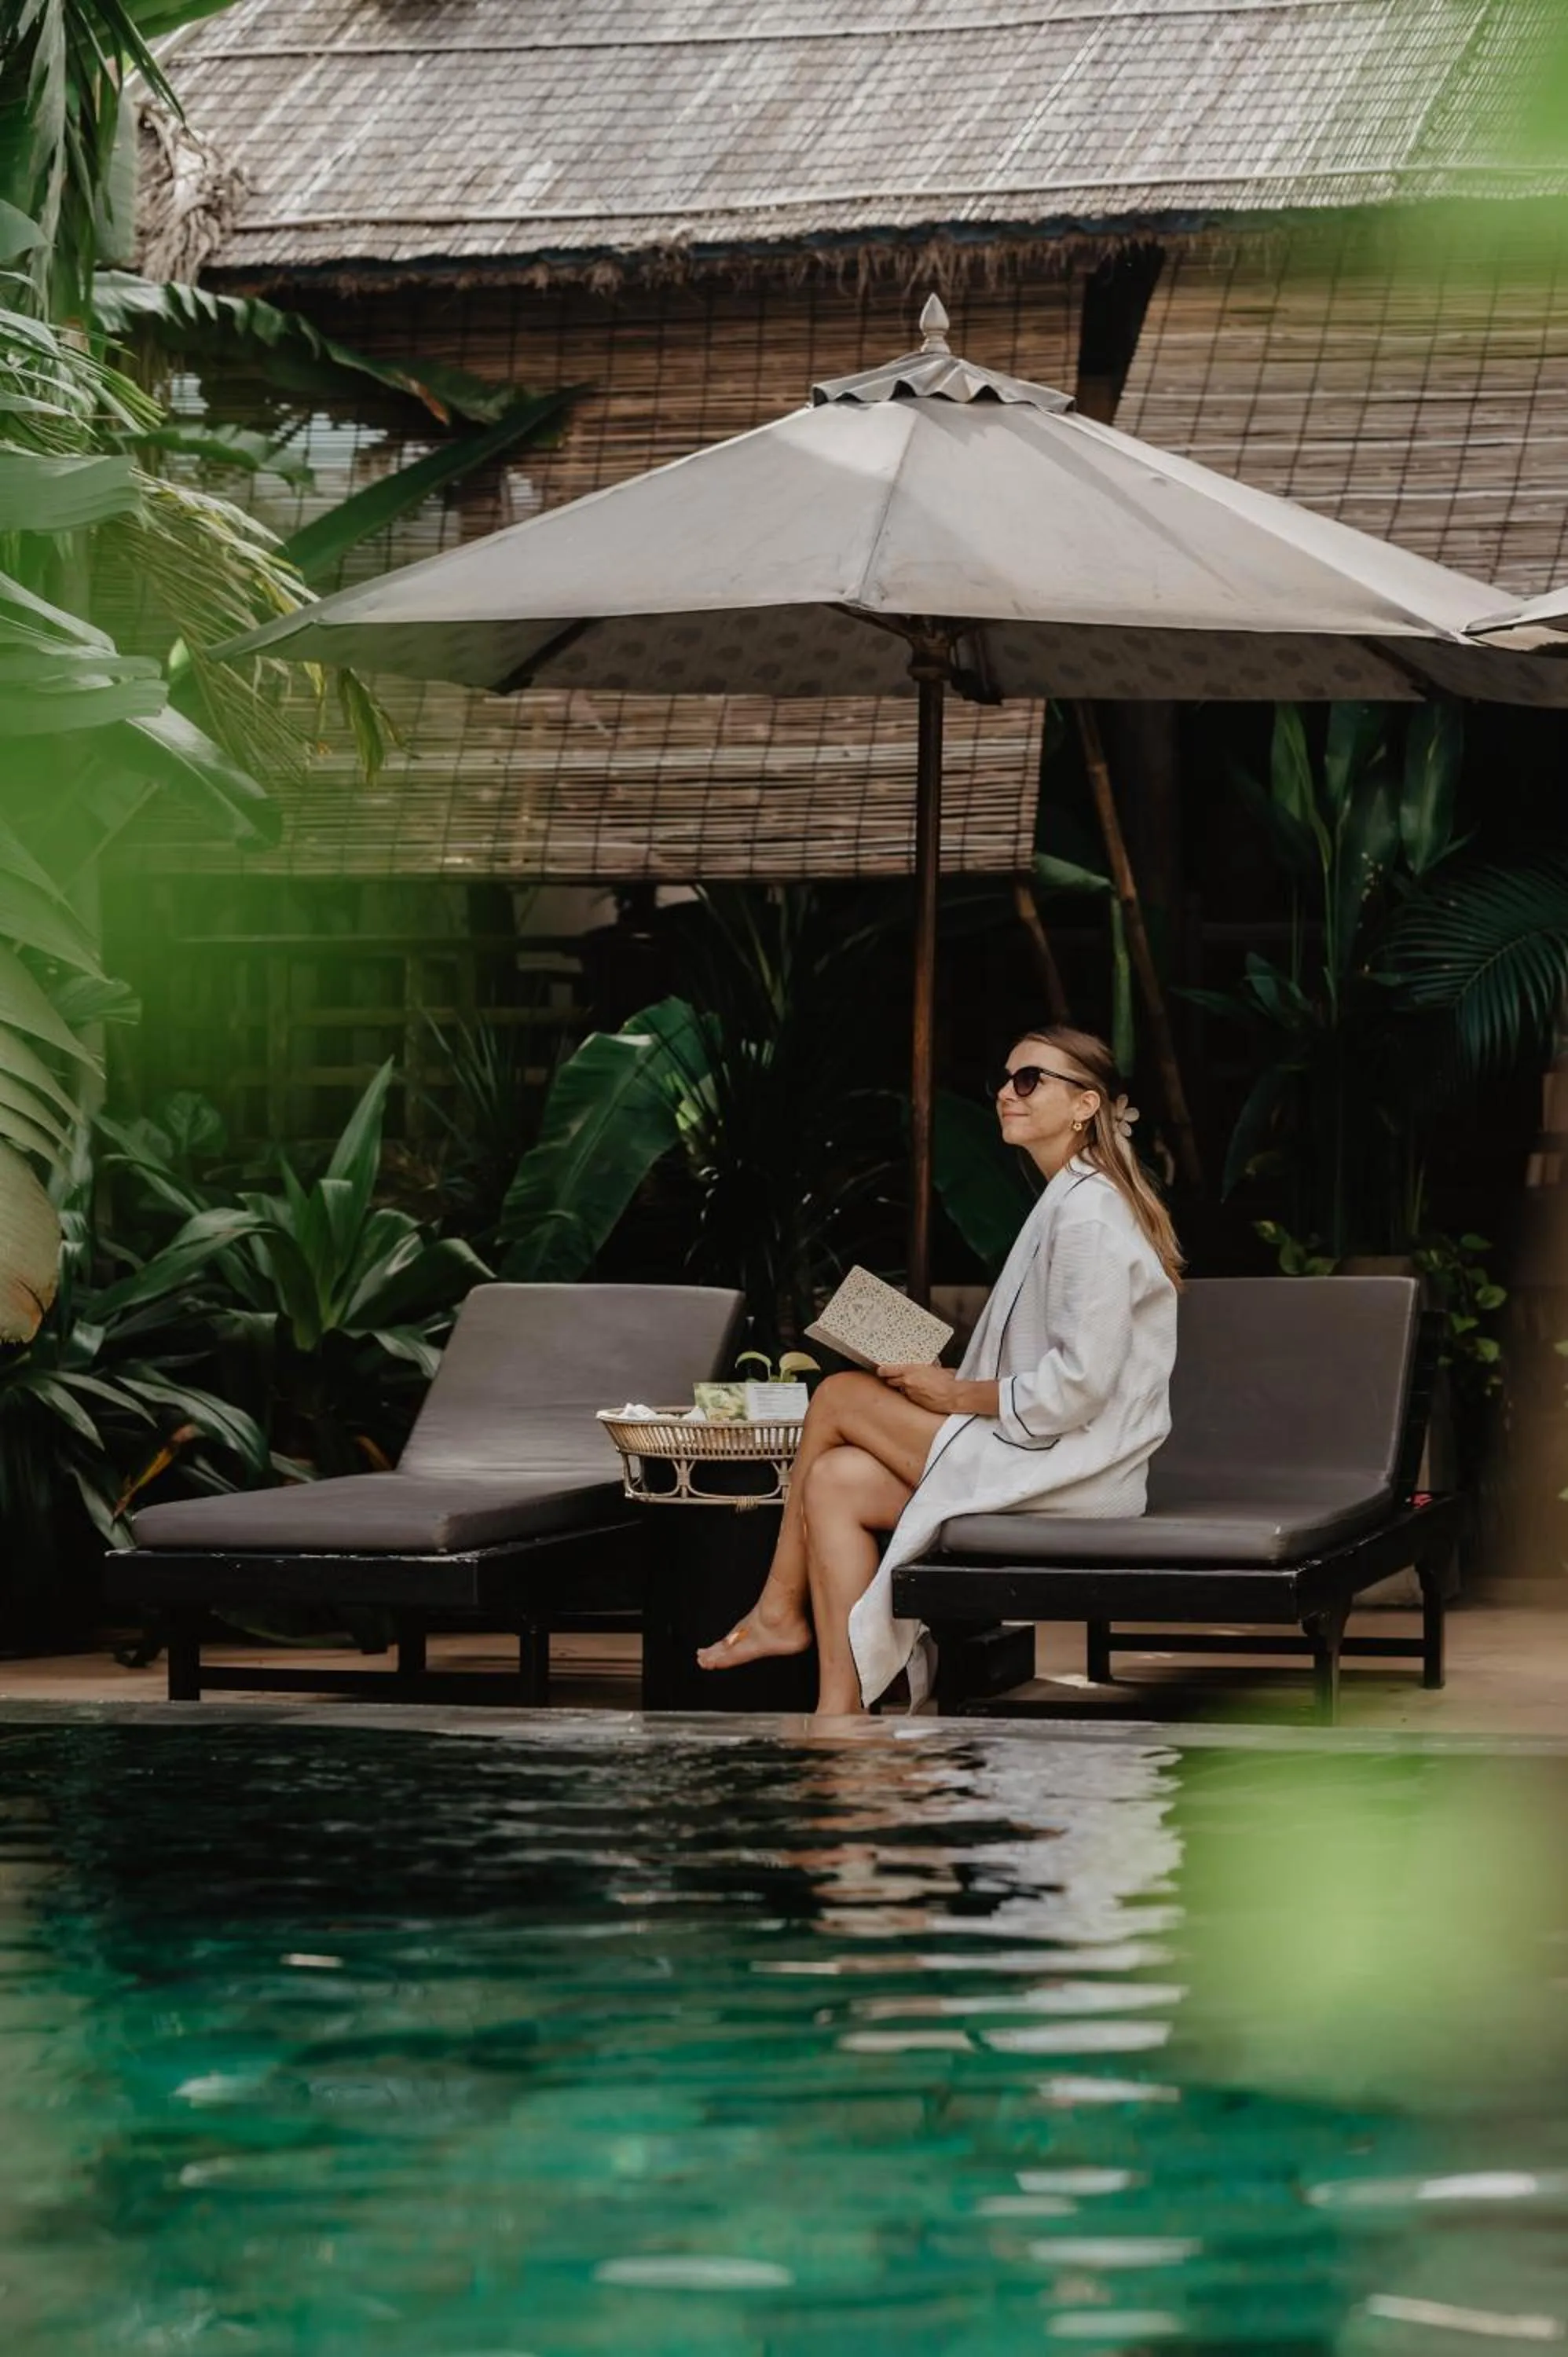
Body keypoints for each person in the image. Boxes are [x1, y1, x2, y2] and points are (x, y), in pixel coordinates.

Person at [695, 1026, 1182, 1714]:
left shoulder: (1090, 1217)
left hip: (1077, 1470)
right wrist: (942, 1379)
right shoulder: (1067, 1200)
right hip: (1041, 1450)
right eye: (1005, 1079)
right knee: (834, 1483)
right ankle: (841, 1715)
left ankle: (780, 1607)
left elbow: (1080, 1386)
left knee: (836, 1395)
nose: (1007, 1095)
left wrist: (954, 1391)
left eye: (1030, 1080)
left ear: (1086, 1105)